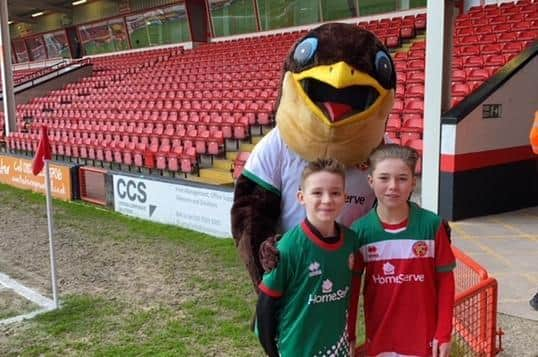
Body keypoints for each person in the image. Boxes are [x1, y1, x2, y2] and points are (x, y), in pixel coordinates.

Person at [349, 144, 456, 357]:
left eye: (402, 178)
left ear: (413, 183)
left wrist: (444, 333)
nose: (393, 186)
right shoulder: (360, 231)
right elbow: (351, 290)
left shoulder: (432, 225)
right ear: (370, 181)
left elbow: (446, 282)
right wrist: (350, 335)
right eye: (384, 178)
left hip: (424, 340)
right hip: (380, 339)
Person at [256, 158, 361, 357]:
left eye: (335, 193)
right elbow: (265, 306)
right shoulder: (288, 247)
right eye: (317, 193)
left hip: (337, 348)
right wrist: (272, 352)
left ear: (345, 197)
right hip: (297, 350)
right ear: (301, 197)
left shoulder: (351, 241)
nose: (327, 200)